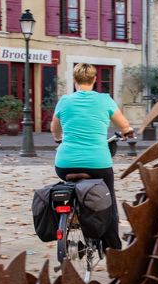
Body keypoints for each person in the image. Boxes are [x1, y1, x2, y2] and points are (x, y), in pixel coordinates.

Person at [51, 63, 134, 250]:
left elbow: (54, 129)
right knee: (109, 201)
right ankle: (112, 247)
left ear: (74, 80)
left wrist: (58, 138)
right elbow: (124, 125)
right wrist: (127, 131)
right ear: (95, 80)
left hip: (65, 164)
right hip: (98, 164)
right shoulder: (105, 100)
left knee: (69, 188)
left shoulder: (64, 101)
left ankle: (72, 217)